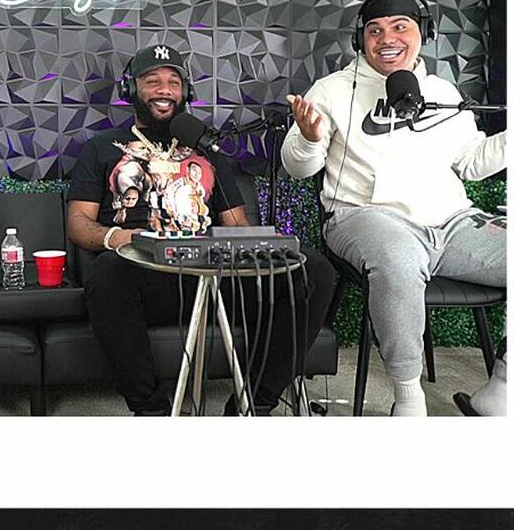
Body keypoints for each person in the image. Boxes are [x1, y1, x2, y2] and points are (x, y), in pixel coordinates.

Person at [66, 44, 337, 416]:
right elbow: (78, 223)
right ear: (132, 89)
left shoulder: (207, 149)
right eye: (152, 81)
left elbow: (236, 223)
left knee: (313, 270)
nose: (164, 89)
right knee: (107, 274)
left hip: (214, 273)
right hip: (144, 274)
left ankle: (252, 404)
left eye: (173, 82)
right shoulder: (100, 148)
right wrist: (120, 238)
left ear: (186, 92)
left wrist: (261, 245)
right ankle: (150, 410)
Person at [280, 0, 507, 416]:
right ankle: (408, 397)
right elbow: (298, 168)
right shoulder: (332, 90)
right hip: (363, 217)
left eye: (400, 27)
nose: (387, 39)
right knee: (399, 257)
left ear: (424, 34)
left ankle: (504, 384)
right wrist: (309, 139)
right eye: (375, 30)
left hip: (452, 223)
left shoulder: (441, 90)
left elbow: (472, 162)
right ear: (360, 40)